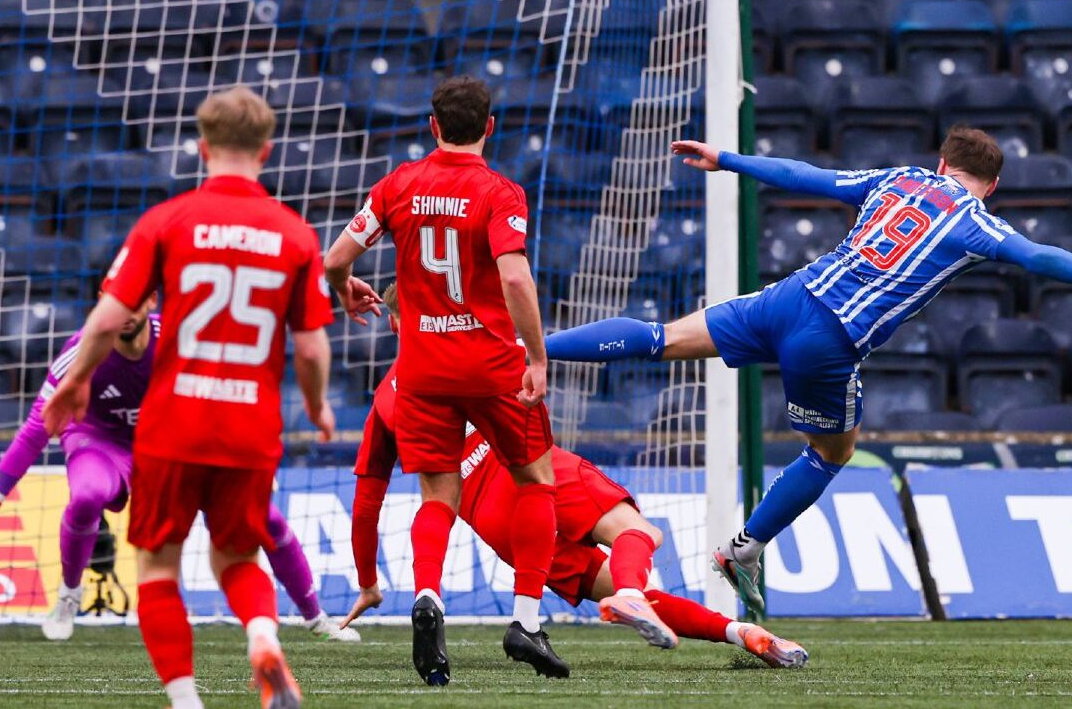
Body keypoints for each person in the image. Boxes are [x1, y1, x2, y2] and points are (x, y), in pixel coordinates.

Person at [543, 127, 1072, 613]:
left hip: (788, 296)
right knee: (831, 451)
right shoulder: (975, 221)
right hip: (829, 339)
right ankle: (744, 550)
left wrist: (728, 159)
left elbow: (806, 174)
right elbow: (1039, 256)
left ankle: (534, 348)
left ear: (941, 165)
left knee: (664, 337)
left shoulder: (899, 179)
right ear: (991, 184)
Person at [43, 86, 333, 709]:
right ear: (268, 150)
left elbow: (103, 321)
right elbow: (310, 350)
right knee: (238, 556)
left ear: (201, 148)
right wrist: (317, 406)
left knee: (158, 568)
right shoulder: (296, 234)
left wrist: (72, 384)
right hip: (249, 426)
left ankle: (186, 702)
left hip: (173, 422)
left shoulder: (166, 221)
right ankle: (262, 638)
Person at [343, 285, 809, 668]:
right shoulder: (478, 347)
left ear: (396, 323)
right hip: (533, 477)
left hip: (492, 520)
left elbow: (367, 504)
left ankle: (741, 632)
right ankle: (610, 601)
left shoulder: (388, 399)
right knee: (638, 534)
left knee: (631, 589)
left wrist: (368, 583)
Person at [323, 76, 565, 685]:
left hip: (422, 368)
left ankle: (427, 597)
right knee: (536, 479)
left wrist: (344, 290)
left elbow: (333, 260)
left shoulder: (397, 184)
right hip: (490, 365)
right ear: (490, 126)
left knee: (437, 497)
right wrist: (535, 356)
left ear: (432, 126)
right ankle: (527, 619)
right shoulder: (499, 191)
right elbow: (514, 279)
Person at [0, 298, 358, 644]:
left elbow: (224, 398)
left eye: (136, 298)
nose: (127, 308)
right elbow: (35, 430)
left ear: (151, 302)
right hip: (99, 439)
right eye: (117, 298)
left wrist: (250, 457)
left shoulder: (178, 342)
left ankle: (315, 616)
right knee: (88, 495)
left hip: (170, 442)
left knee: (265, 518)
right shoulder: (83, 351)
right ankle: (69, 595)